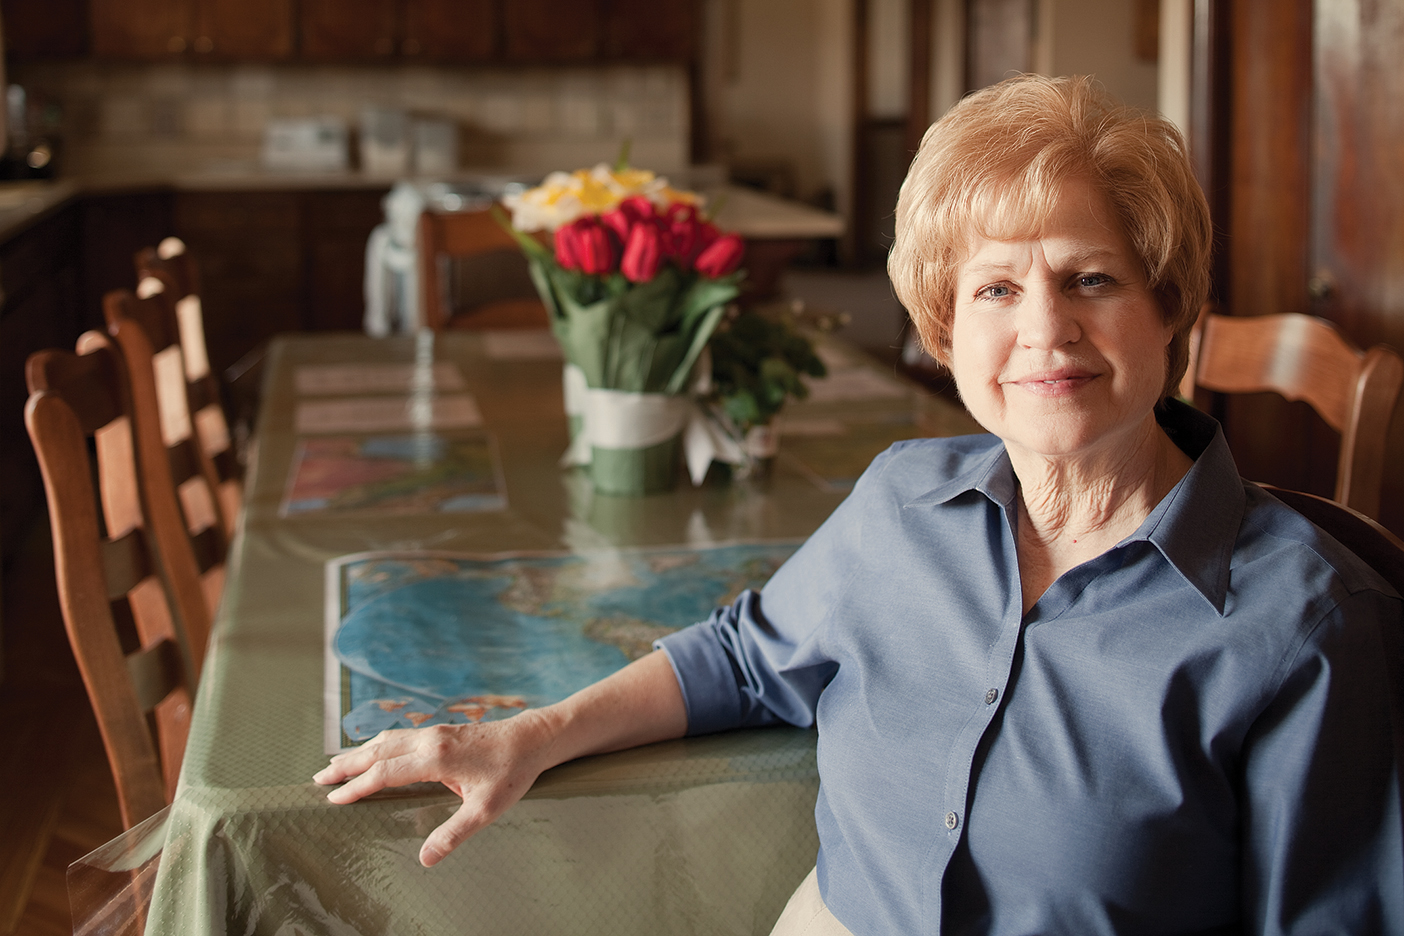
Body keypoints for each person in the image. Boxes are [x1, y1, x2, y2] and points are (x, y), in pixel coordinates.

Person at [315, 75, 1403, 934]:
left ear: (1171, 306)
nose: (1045, 333)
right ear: (943, 331)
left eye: (1091, 279)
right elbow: (746, 656)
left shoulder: (1307, 628)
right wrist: (529, 737)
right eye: (995, 289)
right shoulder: (901, 502)